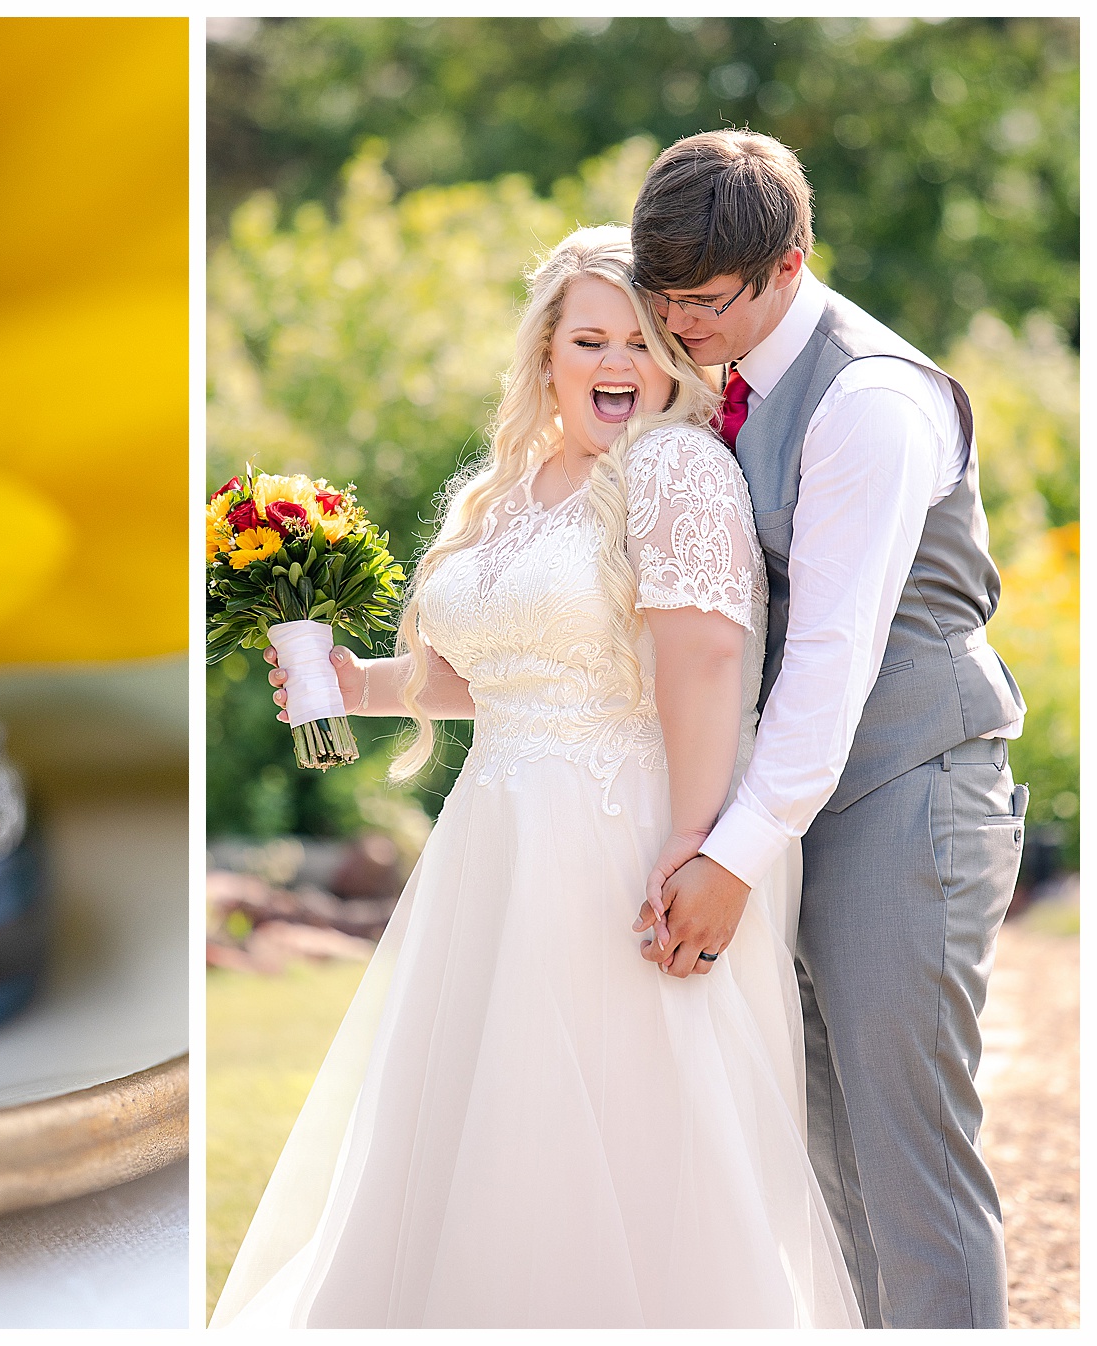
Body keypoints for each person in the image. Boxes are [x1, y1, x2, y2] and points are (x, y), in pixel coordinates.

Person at [211, 225, 861, 1328]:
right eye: (590, 338)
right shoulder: (509, 485)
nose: (618, 363)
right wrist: (359, 682)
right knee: (491, 1120)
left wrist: (698, 845)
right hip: (497, 835)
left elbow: (702, 663)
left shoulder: (675, 467)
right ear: (547, 354)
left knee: (615, 1119)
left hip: (622, 832)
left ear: (674, 355)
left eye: (644, 340)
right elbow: (507, 674)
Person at [628, 130, 1025, 1329]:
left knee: (910, 1161)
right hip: (805, 800)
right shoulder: (724, 371)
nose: (679, 325)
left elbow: (833, 658)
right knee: (826, 1147)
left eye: (703, 302)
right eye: (665, 299)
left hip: (912, 786)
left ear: (789, 263)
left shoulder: (871, 400)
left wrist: (731, 860)